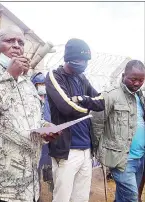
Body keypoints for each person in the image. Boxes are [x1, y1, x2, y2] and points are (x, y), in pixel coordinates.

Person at [0, 25, 59, 202]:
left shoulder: (27, 83)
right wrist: (10, 76)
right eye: (9, 41)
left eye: (20, 42)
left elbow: (30, 119)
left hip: (27, 188)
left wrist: (46, 129)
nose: (17, 46)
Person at [44, 38, 105, 202]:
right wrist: (88, 106)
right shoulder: (55, 76)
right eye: (79, 59)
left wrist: (81, 98)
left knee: (81, 198)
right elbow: (66, 107)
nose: (83, 63)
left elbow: (102, 102)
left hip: (86, 149)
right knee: (62, 198)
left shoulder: (82, 78)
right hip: (67, 150)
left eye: (86, 60)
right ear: (68, 58)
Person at [92, 60, 145, 202]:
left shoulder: (140, 97)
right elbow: (96, 124)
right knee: (132, 197)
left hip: (140, 157)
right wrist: (97, 150)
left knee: (123, 196)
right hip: (121, 159)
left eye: (141, 80)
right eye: (133, 79)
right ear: (123, 76)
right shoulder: (110, 95)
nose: (137, 83)